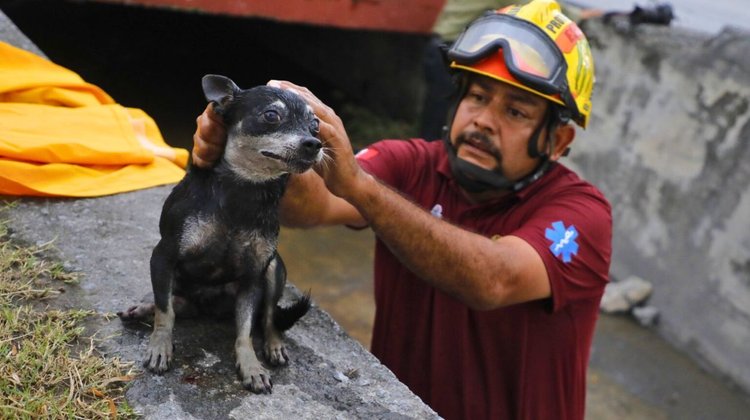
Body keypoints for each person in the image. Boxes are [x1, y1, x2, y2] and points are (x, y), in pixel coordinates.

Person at [192, 1, 612, 419]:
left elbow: (494, 280)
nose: (484, 120)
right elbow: (311, 207)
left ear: (557, 142)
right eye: (478, 96)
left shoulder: (583, 213)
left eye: (516, 111)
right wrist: (264, 156)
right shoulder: (411, 163)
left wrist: (363, 188)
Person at [419, 0, 603, 141]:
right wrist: (577, 15)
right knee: (441, 125)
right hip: (457, 51)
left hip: (448, 46)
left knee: (439, 119)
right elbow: (533, 6)